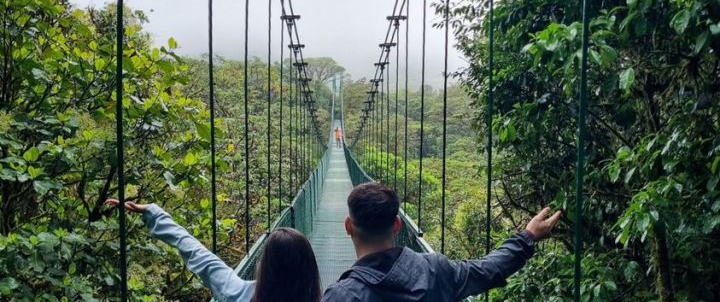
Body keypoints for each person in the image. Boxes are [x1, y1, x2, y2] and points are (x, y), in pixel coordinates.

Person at [321, 183, 561, 302]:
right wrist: (528, 235)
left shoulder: (340, 296)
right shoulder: (436, 270)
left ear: (348, 227)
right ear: (397, 225)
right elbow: (488, 270)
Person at [106, 199, 322, 302]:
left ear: (265, 265)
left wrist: (155, 213)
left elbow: (200, 256)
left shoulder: (240, 293)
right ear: (310, 269)